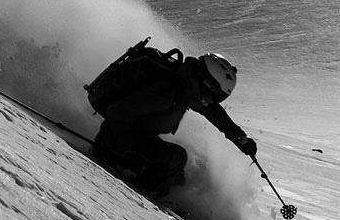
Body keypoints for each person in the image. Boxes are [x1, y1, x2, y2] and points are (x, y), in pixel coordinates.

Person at [90, 46, 257, 198]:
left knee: (177, 171)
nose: (212, 101)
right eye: (215, 95)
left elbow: (214, 113)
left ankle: (154, 188)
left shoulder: (186, 86)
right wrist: (124, 151)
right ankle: (141, 194)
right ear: (206, 83)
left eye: (219, 97)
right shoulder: (167, 92)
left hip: (130, 136)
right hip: (114, 142)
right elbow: (118, 112)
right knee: (175, 160)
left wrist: (239, 137)